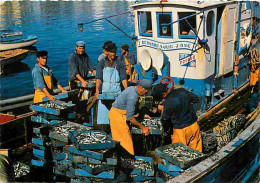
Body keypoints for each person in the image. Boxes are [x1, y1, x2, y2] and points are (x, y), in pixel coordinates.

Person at [151, 83, 202, 152]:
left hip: (181, 131)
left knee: (179, 154)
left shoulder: (168, 103)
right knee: (196, 153)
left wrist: (165, 130)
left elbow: (165, 119)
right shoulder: (182, 91)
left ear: (163, 94)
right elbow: (195, 99)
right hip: (194, 126)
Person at [108, 79, 152, 155]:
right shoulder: (133, 97)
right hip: (117, 117)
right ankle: (127, 162)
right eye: (146, 91)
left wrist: (142, 115)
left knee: (121, 141)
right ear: (142, 88)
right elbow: (130, 118)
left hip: (120, 113)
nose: (146, 93)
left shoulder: (132, 88)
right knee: (126, 143)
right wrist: (143, 128)